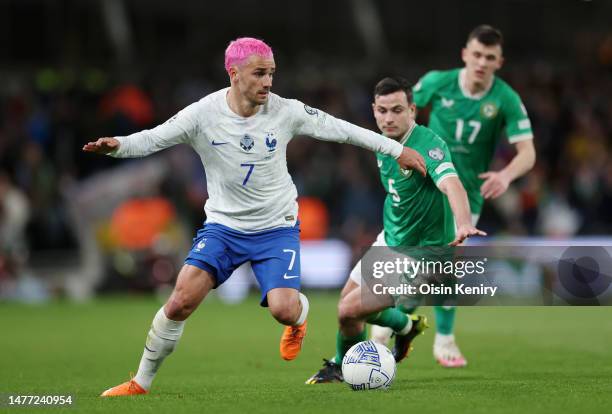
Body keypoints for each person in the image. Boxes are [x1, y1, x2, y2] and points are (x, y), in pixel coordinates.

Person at [84, 37, 427, 397]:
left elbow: (342, 130)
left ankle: (298, 316)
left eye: (272, 74)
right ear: (233, 73)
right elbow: (154, 138)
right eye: (260, 73)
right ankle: (141, 382)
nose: (268, 82)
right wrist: (118, 146)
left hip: (276, 229)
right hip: (223, 229)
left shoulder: (285, 111)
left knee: (283, 310)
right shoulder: (203, 114)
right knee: (180, 301)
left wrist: (396, 149)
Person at [370, 25, 536, 368]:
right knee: (424, 268)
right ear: (465, 54)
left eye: (489, 58)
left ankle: (435, 335)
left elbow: (527, 153)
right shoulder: (437, 82)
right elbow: (403, 109)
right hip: (425, 185)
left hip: (467, 194)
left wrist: (506, 174)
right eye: (476, 54)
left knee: (441, 267)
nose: (481, 63)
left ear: (499, 62)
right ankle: (407, 323)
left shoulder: (505, 98)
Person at [306, 76, 485, 384]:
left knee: (350, 310)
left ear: (412, 110)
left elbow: (452, 184)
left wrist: (464, 221)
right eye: (383, 110)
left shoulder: (429, 145)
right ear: (374, 110)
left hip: (421, 253)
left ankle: (347, 362)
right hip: (390, 241)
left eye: (397, 110)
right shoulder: (383, 144)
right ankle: (402, 328)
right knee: (347, 308)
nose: (389, 118)